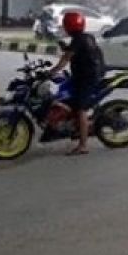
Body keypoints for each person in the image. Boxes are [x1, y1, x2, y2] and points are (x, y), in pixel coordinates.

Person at [49, 12, 101, 156]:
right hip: (82, 75)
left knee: (80, 108)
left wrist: (52, 71)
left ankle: (83, 145)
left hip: (87, 78)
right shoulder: (85, 37)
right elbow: (76, 51)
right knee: (63, 93)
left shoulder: (78, 40)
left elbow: (66, 59)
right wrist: (64, 46)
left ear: (68, 26)